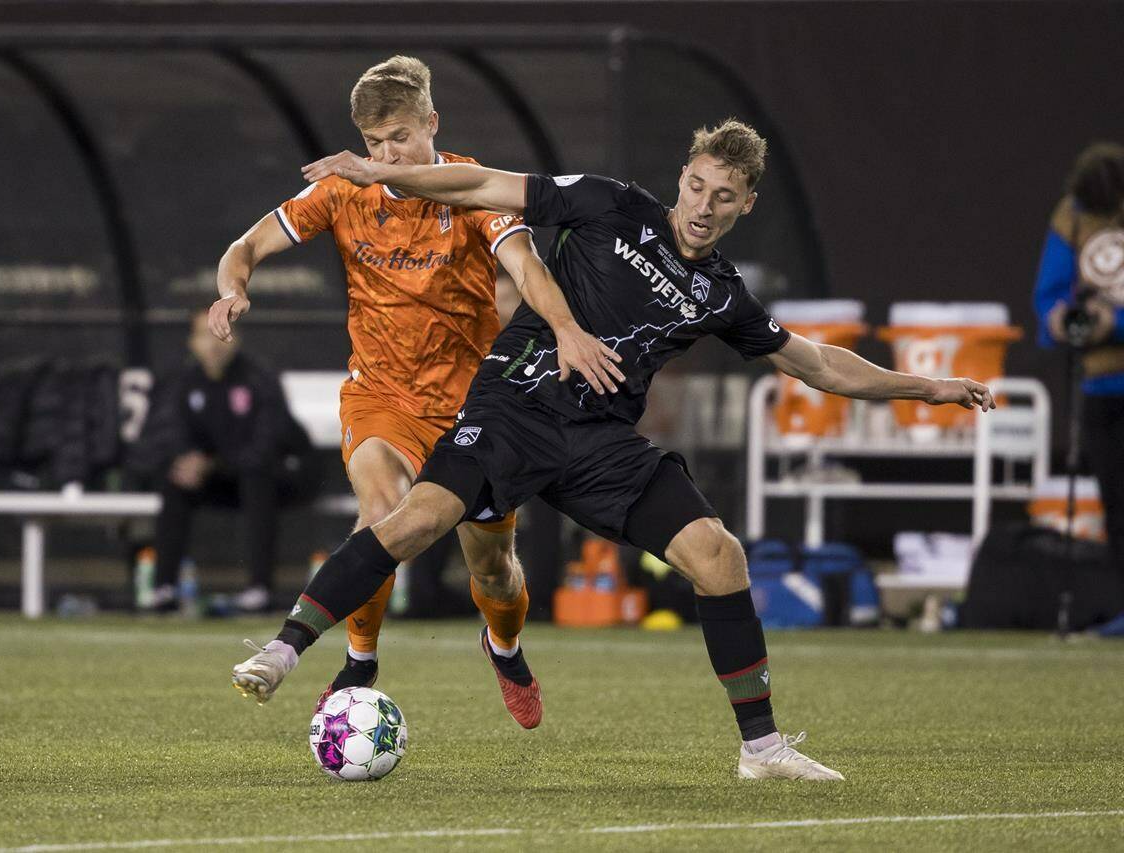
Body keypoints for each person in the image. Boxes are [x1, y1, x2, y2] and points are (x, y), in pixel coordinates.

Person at [232, 118, 997, 780]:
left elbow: (817, 362)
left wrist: (924, 386)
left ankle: (761, 747)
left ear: (745, 205)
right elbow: (484, 185)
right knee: (409, 522)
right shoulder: (612, 204)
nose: (704, 206)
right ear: (682, 179)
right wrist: (382, 172)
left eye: (724, 197)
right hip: (515, 406)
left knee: (718, 553)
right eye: (697, 186)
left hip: (597, 442)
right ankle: (284, 650)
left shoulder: (722, 294)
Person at [209, 56, 618, 723]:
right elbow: (244, 246)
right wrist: (233, 289)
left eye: (399, 136)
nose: (385, 153)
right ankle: (360, 660)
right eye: (374, 143)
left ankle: (504, 644)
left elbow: (527, 263)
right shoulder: (343, 192)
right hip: (381, 397)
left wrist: (566, 328)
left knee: (495, 571)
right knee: (379, 515)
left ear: (432, 122)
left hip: (474, 411)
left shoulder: (472, 189)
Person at [134, 310, 318, 612]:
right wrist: (187, 459)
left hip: (280, 478)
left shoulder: (259, 379)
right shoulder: (183, 383)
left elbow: (267, 445)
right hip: (221, 479)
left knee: (257, 478)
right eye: (205, 334)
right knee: (176, 480)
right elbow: (169, 434)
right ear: (191, 343)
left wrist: (213, 464)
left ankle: (259, 588)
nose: (214, 343)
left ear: (236, 339)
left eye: (222, 332)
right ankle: (164, 588)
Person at [1034, 142, 1124, 573]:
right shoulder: (1070, 217)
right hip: (1100, 386)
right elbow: (1049, 297)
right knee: (1116, 503)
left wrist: (1117, 323)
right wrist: (1058, 321)